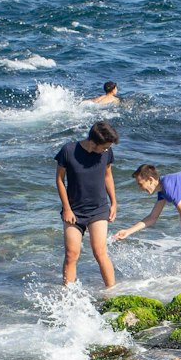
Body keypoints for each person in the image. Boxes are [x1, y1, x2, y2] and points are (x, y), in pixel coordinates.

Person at [55, 122, 118, 287]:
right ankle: (68, 295)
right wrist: (67, 209)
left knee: (100, 252)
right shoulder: (68, 151)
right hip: (74, 210)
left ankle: (111, 292)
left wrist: (114, 203)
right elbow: (60, 180)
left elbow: (108, 176)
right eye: (105, 147)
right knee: (71, 255)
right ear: (94, 142)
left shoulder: (107, 152)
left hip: (99, 208)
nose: (107, 150)